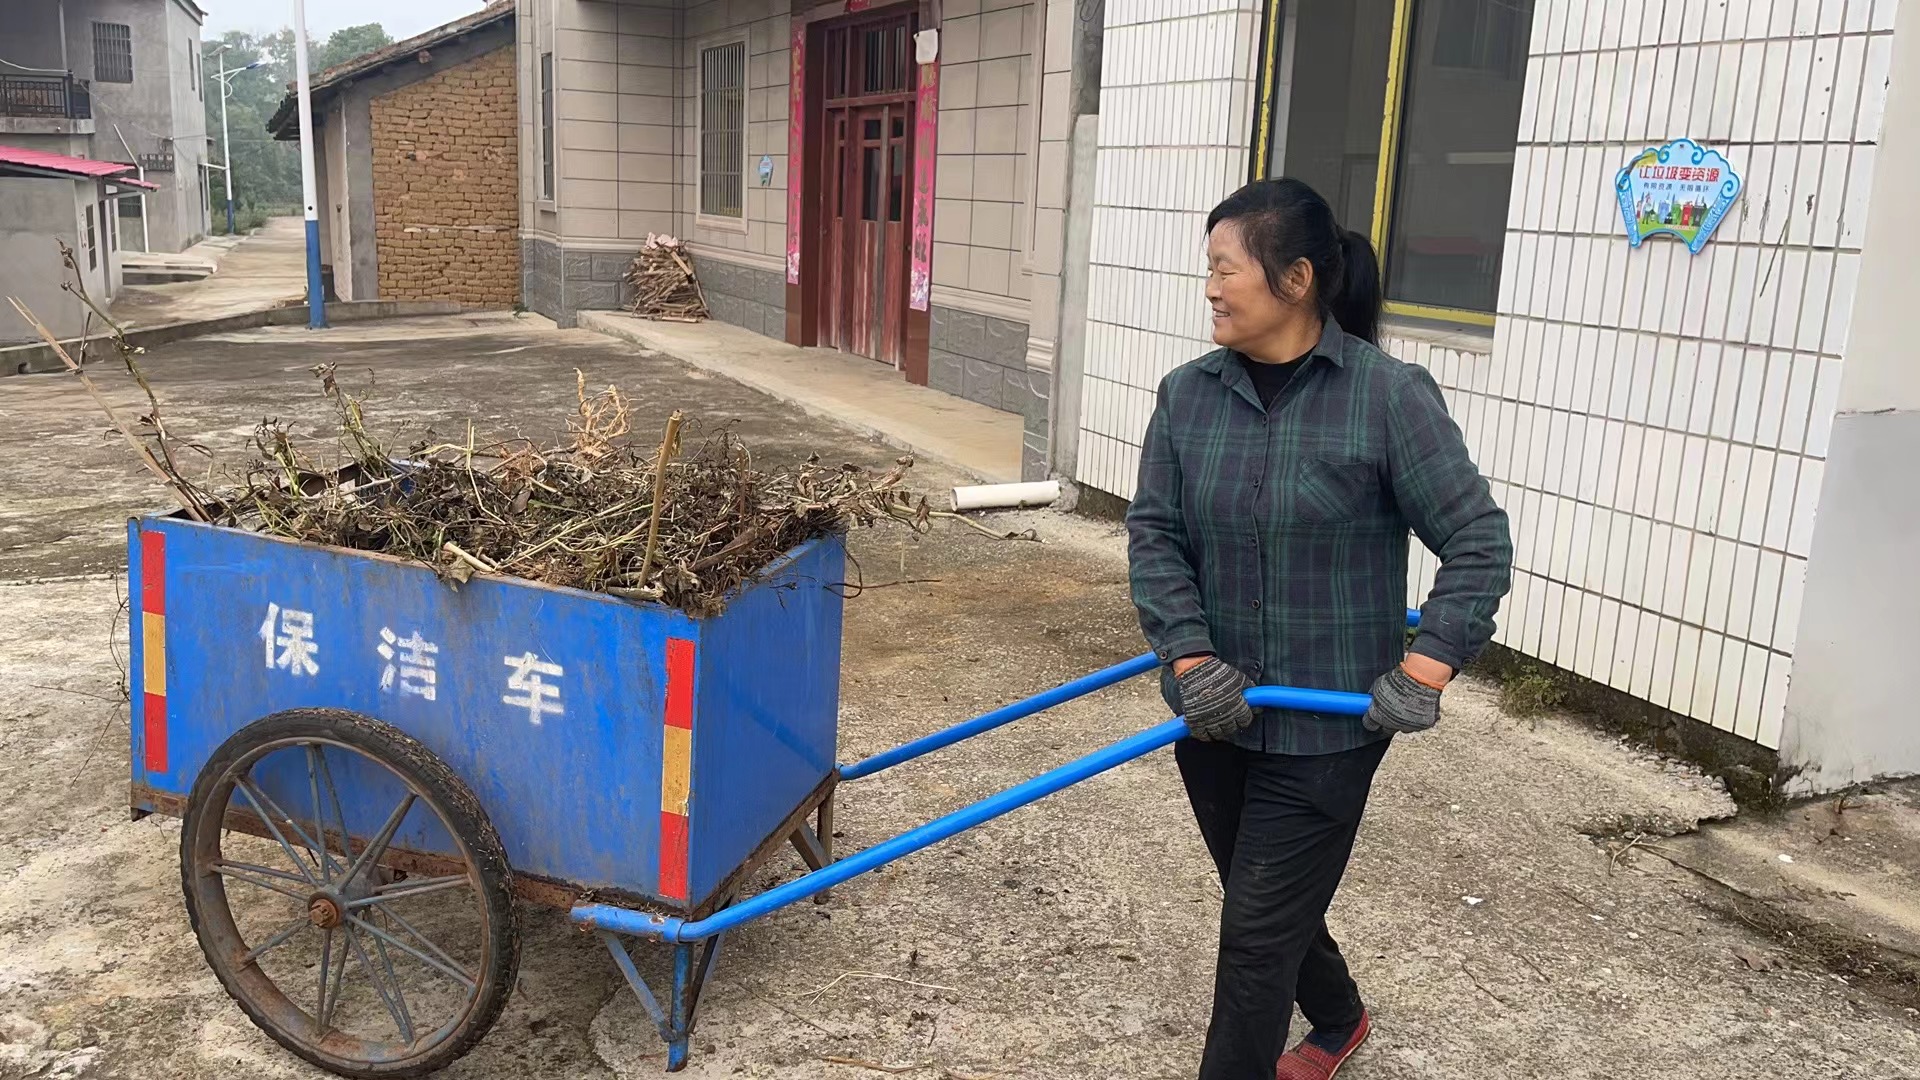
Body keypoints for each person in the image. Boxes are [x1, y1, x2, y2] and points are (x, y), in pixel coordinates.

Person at [1126, 178, 1512, 1080]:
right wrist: (1189, 655)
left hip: (1327, 729)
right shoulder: (1187, 397)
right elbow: (1155, 535)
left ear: (1296, 279)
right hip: (1215, 714)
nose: (1211, 289)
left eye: (1227, 269)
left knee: (1254, 940)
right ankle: (1339, 1017)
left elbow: (1477, 541)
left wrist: (1427, 667)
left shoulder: (1387, 398)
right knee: (1260, 893)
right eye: (1210, 269)